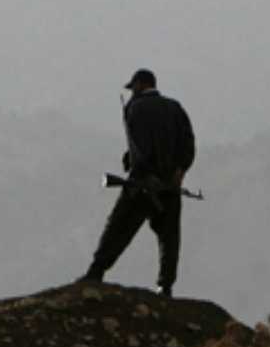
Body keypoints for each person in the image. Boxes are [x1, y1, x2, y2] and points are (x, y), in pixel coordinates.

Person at [79, 68, 196, 296]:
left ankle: (96, 272)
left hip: (142, 185)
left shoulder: (135, 108)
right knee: (169, 236)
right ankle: (165, 285)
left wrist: (145, 172)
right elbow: (188, 144)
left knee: (118, 227)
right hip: (170, 186)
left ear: (139, 86)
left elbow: (139, 147)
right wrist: (180, 171)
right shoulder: (175, 108)